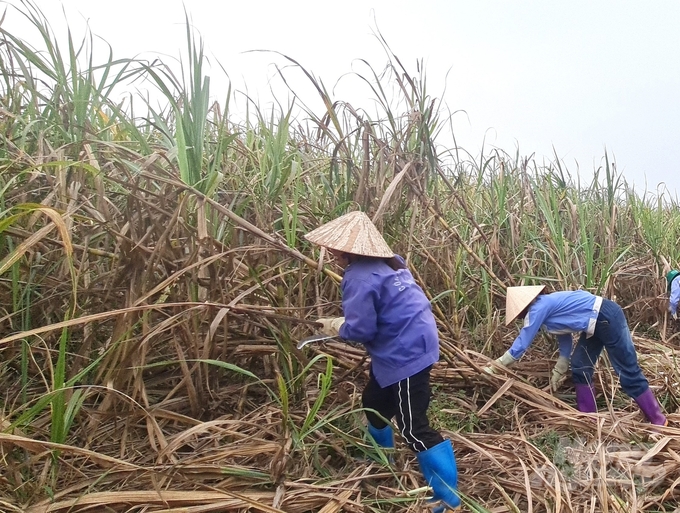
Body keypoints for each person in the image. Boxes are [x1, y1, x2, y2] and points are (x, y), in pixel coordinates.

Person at [304, 210, 460, 512]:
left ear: (350, 249)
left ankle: (446, 495)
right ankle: (380, 458)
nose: (330, 252)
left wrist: (338, 326)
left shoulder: (359, 276)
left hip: (405, 354)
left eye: (334, 247)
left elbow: (362, 329)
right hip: (412, 342)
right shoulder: (390, 264)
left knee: (413, 426)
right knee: (374, 403)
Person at [484, 285, 667, 426]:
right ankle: (590, 419)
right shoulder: (547, 305)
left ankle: (658, 421)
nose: (520, 318)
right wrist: (561, 365)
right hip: (596, 322)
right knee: (579, 365)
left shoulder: (537, 309)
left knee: (627, 371)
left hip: (605, 317)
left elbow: (521, 344)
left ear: (523, 309)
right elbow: (564, 336)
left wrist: (496, 366)